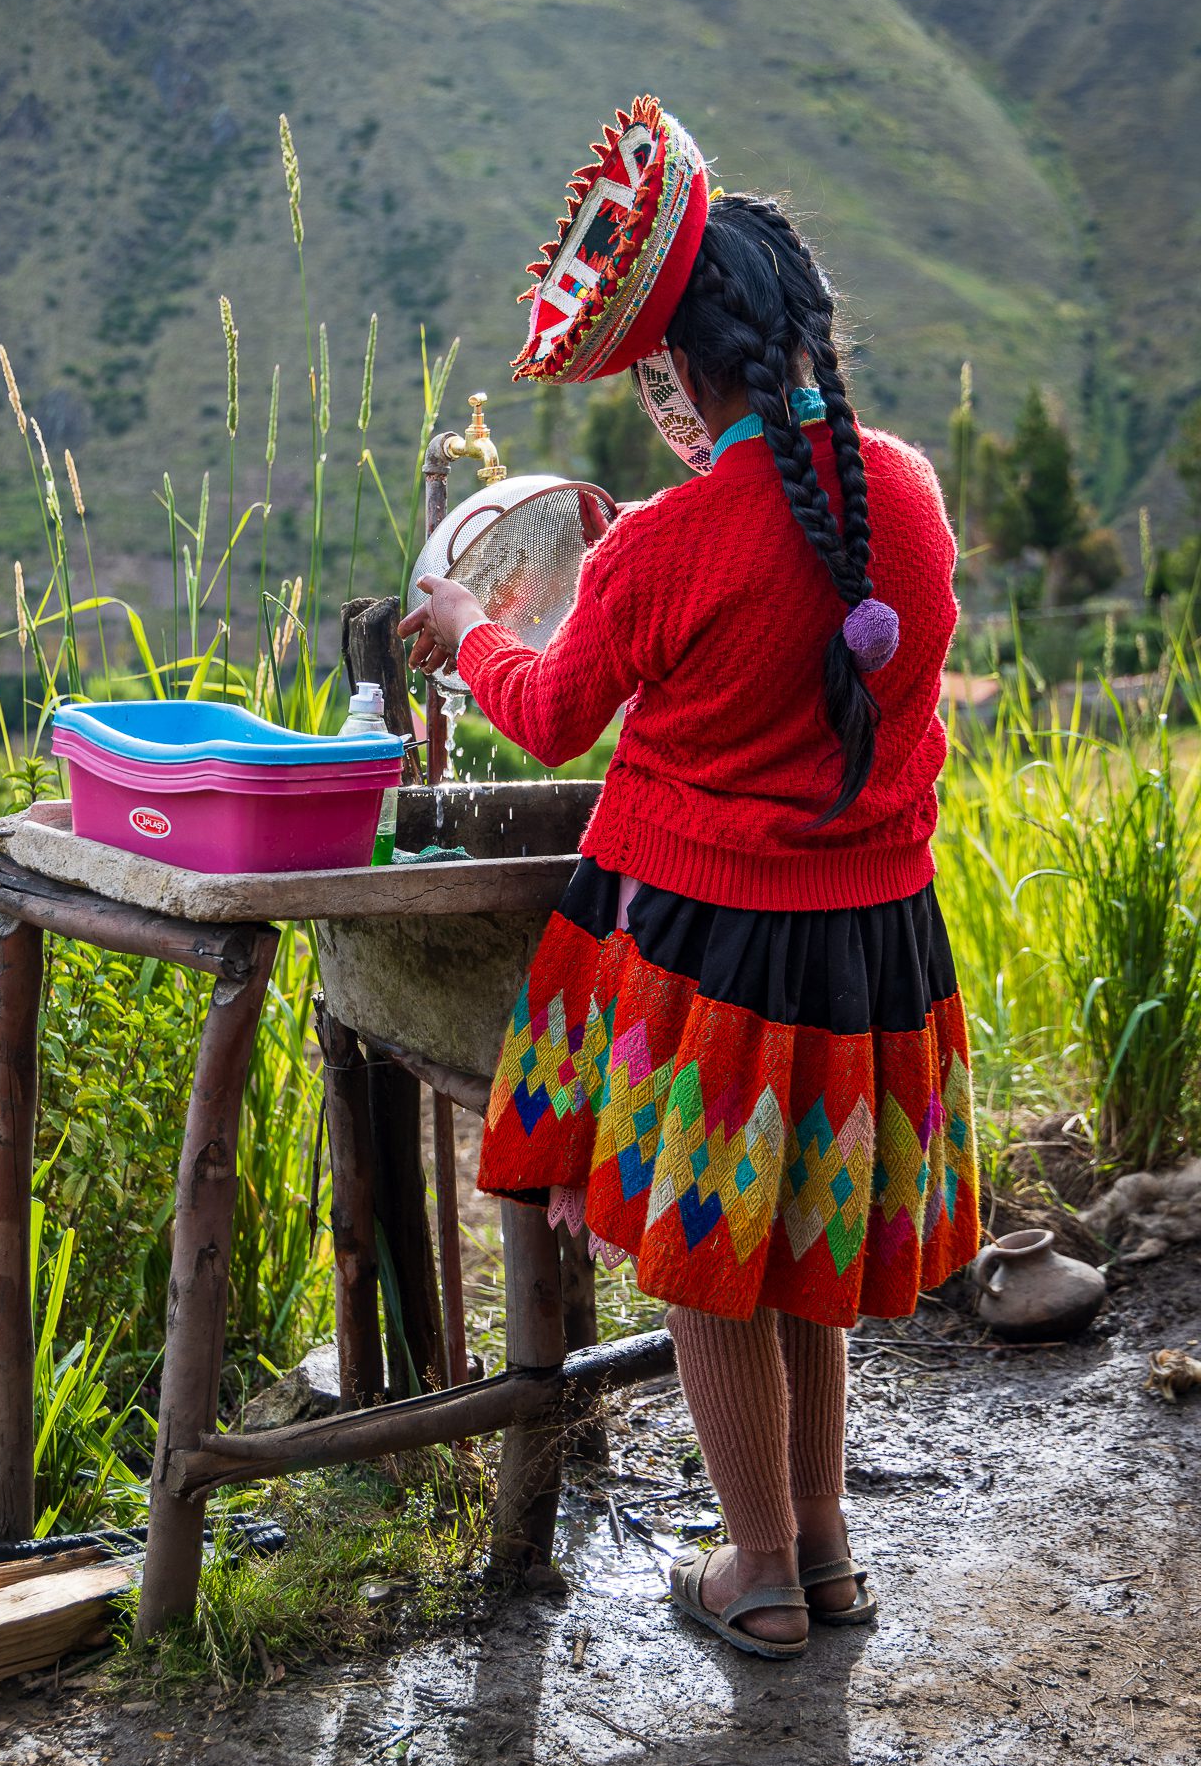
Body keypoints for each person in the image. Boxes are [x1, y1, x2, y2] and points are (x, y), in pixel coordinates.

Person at [400, 97, 979, 1660]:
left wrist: (471, 631)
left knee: (714, 1266)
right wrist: (626, 563)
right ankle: (826, 1553)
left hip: (710, 958)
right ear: (803, 332)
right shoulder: (905, 498)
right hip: (870, 950)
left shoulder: (662, 548)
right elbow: (805, 628)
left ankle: (757, 1572)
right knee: (799, 1248)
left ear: (669, 375)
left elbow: (548, 713)